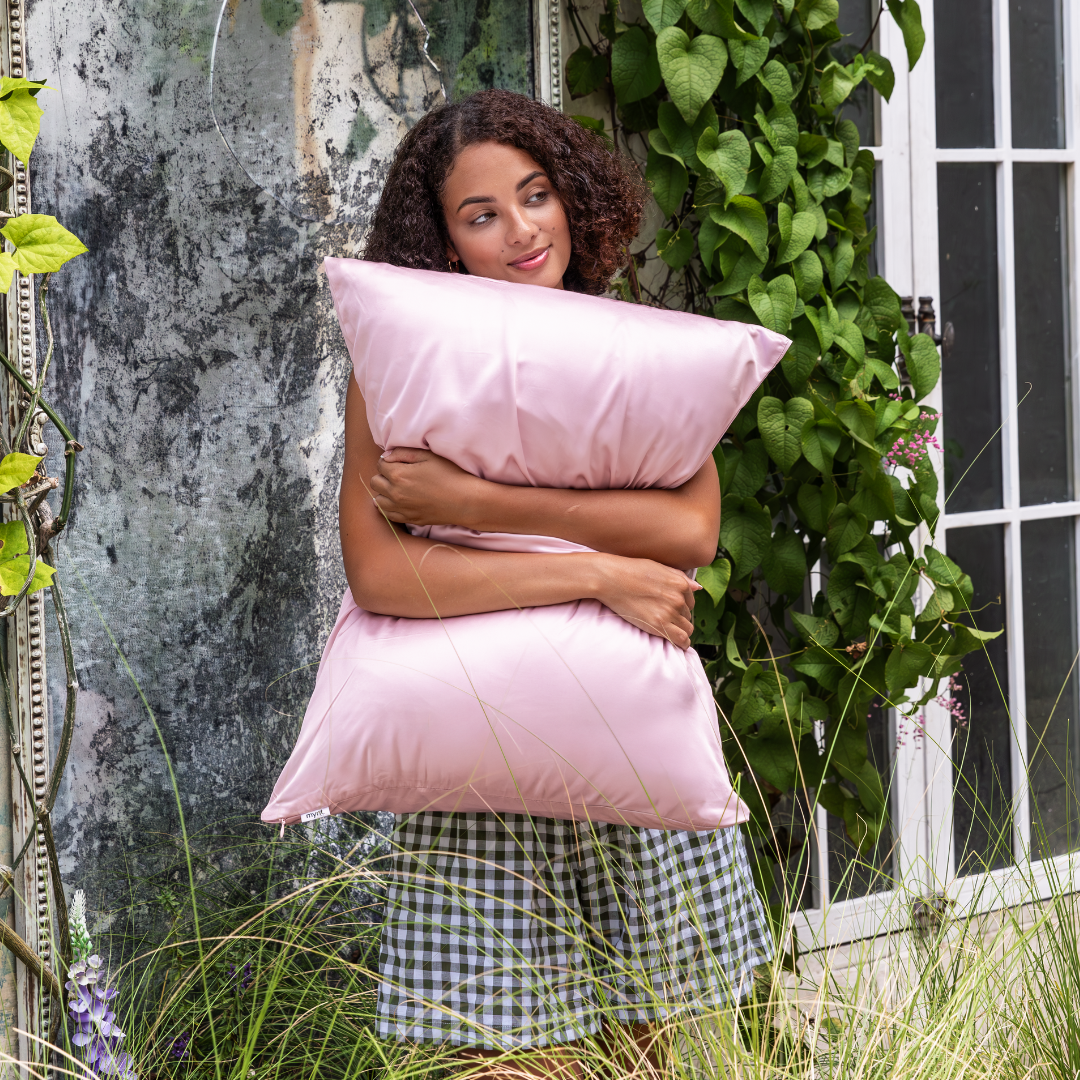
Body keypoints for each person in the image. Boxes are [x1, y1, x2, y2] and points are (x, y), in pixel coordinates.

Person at [341, 89, 772, 1074]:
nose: (521, 230)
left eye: (535, 196)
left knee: (650, 1061)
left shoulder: (627, 348)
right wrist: (600, 573)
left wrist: (481, 505)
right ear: (445, 242)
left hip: (627, 764)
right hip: (481, 789)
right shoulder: (399, 367)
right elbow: (380, 575)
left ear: (571, 198)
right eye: (481, 214)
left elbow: (691, 529)